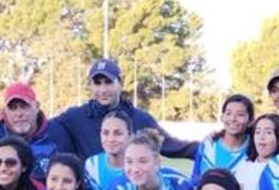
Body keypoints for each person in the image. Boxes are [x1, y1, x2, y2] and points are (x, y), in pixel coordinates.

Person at [56, 58, 198, 161]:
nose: (103, 89)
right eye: (97, 83)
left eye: (108, 82)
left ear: (120, 84)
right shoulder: (75, 117)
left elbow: (174, 147)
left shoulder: (141, 119)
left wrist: (211, 147)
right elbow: (45, 130)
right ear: (90, 86)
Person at [191, 94, 254, 182]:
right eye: (228, 113)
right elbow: (195, 179)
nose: (232, 118)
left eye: (240, 114)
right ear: (222, 117)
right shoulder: (208, 145)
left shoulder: (255, 148)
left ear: (251, 120)